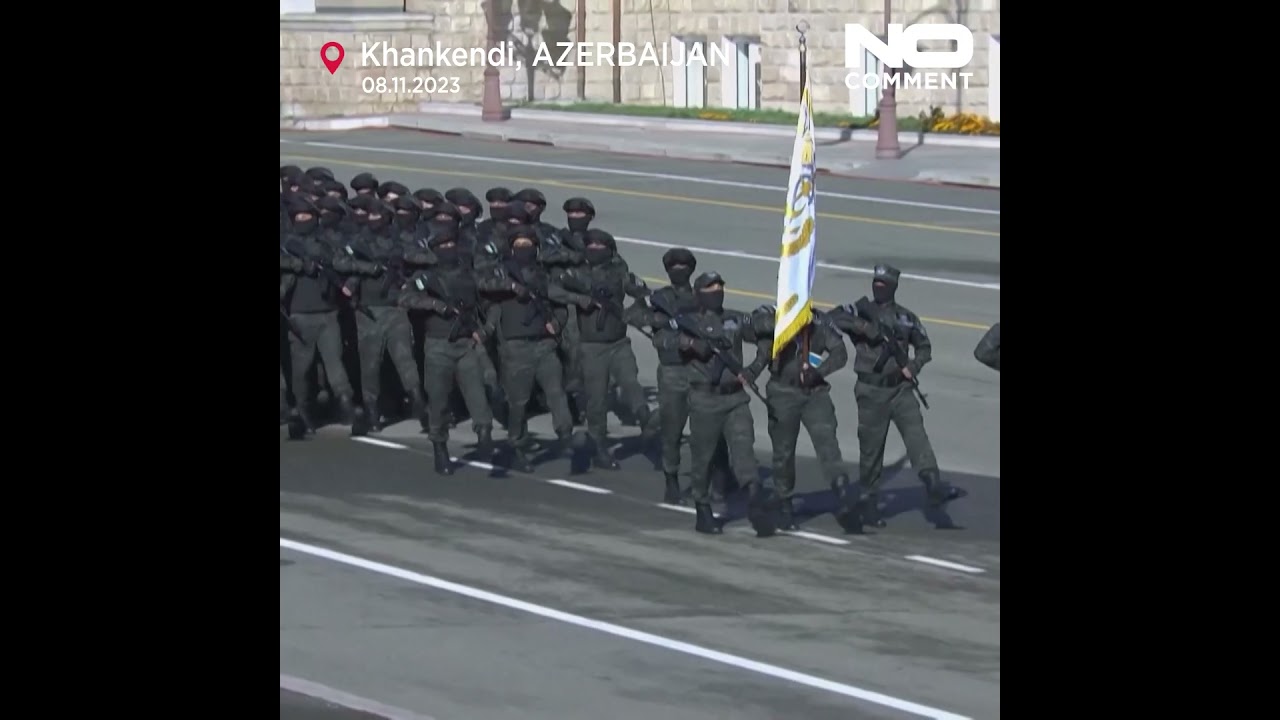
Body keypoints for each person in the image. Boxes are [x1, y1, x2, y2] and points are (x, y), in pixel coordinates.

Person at [828, 264, 959, 528]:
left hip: (900, 388)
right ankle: (869, 500)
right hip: (870, 390)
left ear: (893, 287)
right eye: (876, 282)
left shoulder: (906, 318)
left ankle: (932, 480)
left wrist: (913, 365)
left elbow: (924, 346)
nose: (878, 287)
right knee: (871, 450)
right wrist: (864, 328)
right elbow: (832, 317)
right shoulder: (859, 309)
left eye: (884, 284)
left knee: (916, 435)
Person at [653, 272, 778, 536]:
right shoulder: (685, 321)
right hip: (704, 400)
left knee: (744, 448)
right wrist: (689, 343)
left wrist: (755, 367)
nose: (718, 290)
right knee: (703, 458)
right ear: (699, 293)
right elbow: (661, 338)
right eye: (711, 287)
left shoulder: (734, 318)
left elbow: (762, 327)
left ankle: (754, 497)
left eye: (720, 286)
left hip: (735, 398)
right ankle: (703, 507)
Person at [751, 306, 861, 532]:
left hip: (814, 393)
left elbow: (840, 352)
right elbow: (756, 334)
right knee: (783, 451)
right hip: (782, 393)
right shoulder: (772, 317)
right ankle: (784, 503)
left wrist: (819, 372)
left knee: (828, 443)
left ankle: (843, 497)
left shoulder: (819, 321)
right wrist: (785, 324)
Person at [553, 229, 654, 469]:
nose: (596, 250)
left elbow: (644, 294)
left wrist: (635, 312)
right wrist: (580, 300)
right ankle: (599, 448)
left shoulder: (619, 274)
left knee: (631, 382)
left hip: (618, 343)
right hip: (591, 348)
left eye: (601, 246)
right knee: (597, 401)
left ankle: (645, 419)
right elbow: (551, 290)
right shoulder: (576, 274)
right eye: (592, 246)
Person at [398, 227, 496, 473]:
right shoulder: (426, 278)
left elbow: (489, 305)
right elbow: (405, 299)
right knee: (439, 402)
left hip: (466, 344)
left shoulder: (469, 275)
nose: (447, 251)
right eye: (442, 247)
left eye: (451, 245)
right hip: (438, 346)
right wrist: (436, 305)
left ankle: (484, 434)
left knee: (478, 398)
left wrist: (484, 331)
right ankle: (439, 448)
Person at [479, 225, 576, 471]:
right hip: (514, 348)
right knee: (518, 403)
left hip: (543, 344)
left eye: (528, 245)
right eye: (519, 246)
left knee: (556, 392)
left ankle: (565, 434)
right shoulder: (500, 272)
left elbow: (561, 305)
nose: (524, 250)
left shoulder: (543, 276)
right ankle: (518, 445)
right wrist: (512, 287)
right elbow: (482, 283)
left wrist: (556, 323)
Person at [280, 194, 363, 437]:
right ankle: (302, 411)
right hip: (299, 315)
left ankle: (346, 402)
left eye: (307, 216)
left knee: (334, 362)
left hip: (328, 313)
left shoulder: (326, 244)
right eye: (299, 217)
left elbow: (345, 263)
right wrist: (299, 265)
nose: (303, 220)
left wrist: (346, 283)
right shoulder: (287, 243)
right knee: (302, 369)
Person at [345, 196, 426, 430]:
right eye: (369, 215)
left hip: (394, 308)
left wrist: (406, 283)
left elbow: (420, 262)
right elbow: (344, 263)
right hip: (367, 310)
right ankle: (372, 412)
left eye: (376, 216)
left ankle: (419, 404)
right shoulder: (360, 241)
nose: (371, 219)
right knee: (370, 365)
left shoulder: (399, 241)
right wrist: (368, 268)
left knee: (404, 361)